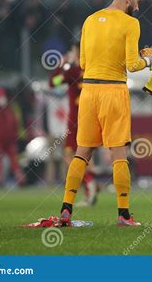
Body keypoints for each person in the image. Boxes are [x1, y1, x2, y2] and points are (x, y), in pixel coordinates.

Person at [59, 0, 152, 227]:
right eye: (137, 2)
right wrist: (149, 61)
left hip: (89, 92)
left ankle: (66, 210)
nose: (137, 7)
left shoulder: (90, 20)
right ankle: (123, 215)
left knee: (82, 152)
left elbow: (81, 62)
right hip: (113, 91)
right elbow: (133, 64)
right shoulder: (130, 23)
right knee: (118, 154)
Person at [49, 41, 98, 206]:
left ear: (76, 52)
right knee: (87, 155)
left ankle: (89, 183)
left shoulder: (72, 70)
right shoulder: (93, 69)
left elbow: (53, 83)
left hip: (76, 119)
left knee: (70, 156)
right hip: (91, 117)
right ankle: (89, 192)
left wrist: (61, 66)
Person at [0, 88, 25, 187]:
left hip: (10, 140)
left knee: (14, 160)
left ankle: (20, 179)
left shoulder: (10, 109)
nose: (2, 99)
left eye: (3, 96)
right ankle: (0, 179)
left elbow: (15, 123)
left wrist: (15, 136)